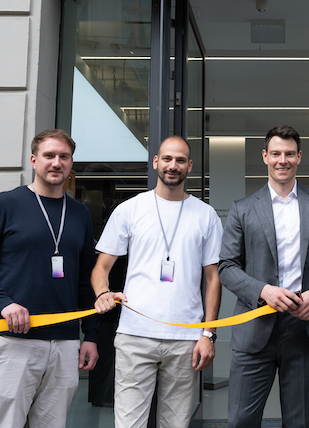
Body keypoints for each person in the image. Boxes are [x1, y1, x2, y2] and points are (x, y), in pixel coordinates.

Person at [0, 129, 99, 428]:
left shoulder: (79, 214)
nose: (56, 163)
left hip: (65, 342)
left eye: (64, 156)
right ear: (34, 160)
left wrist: (91, 336)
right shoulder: (6, 204)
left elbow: (85, 280)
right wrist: (4, 304)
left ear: (71, 163)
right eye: (49, 155)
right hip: (13, 340)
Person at [219, 125, 309, 428]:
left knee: (300, 421)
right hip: (254, 325)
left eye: (289, 154)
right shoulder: (243, 209)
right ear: (265, 156)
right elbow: (226, 266)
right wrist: (263, 290)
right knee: (240, 420)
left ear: (299, 157)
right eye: (276, 153)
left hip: (304, 327)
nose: (282, 160)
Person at [92, 136, 223, 428]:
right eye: (167, 159)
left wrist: (208, 334)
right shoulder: (130, 210)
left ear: (190, 166)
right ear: (155, 162)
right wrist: (102, 292)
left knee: (175, 424)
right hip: (135, 335)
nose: (172, 166)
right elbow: (102, 266)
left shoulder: (206, 216)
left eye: (180, 160)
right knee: (129, 424)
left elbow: (213, 279)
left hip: (185, 339)